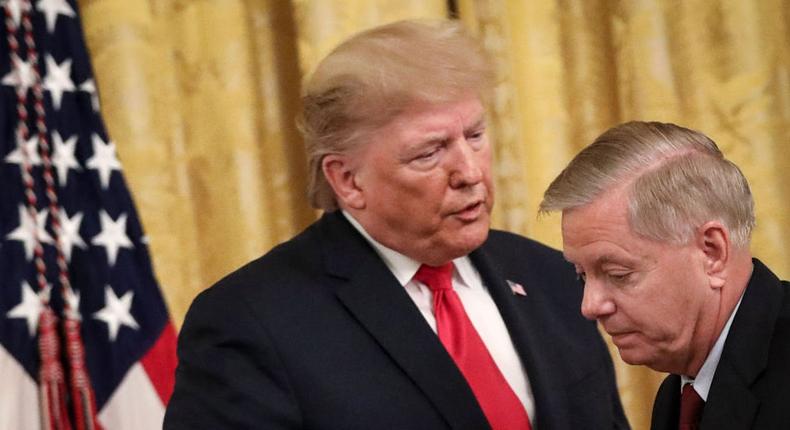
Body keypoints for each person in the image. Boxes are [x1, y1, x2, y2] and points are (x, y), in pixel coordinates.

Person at [164, 19, 627, 430]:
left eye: (475, 136)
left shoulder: (550, 275)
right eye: (429, 153)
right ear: (347, 180)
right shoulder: (249, 322)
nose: (470, 171)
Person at [540, 121, 790, 429]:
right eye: (581, 275)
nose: (589, 306)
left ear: (712, 252)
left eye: (618, 274)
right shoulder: (678, 395)